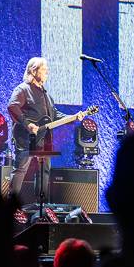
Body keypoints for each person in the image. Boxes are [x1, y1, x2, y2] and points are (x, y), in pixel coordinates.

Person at [6, 57, 85, 196]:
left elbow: (54, 114)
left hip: (44, 137)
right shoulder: (23, 89)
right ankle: (9, 207)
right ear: (33, 70)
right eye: (44, 70)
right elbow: (12, 106)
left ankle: (40, 205)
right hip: (27, 137)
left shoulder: (46, 95)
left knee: (44, 170)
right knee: (21, 168)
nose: (47, 72)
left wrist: (73, 118)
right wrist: (28, 124)